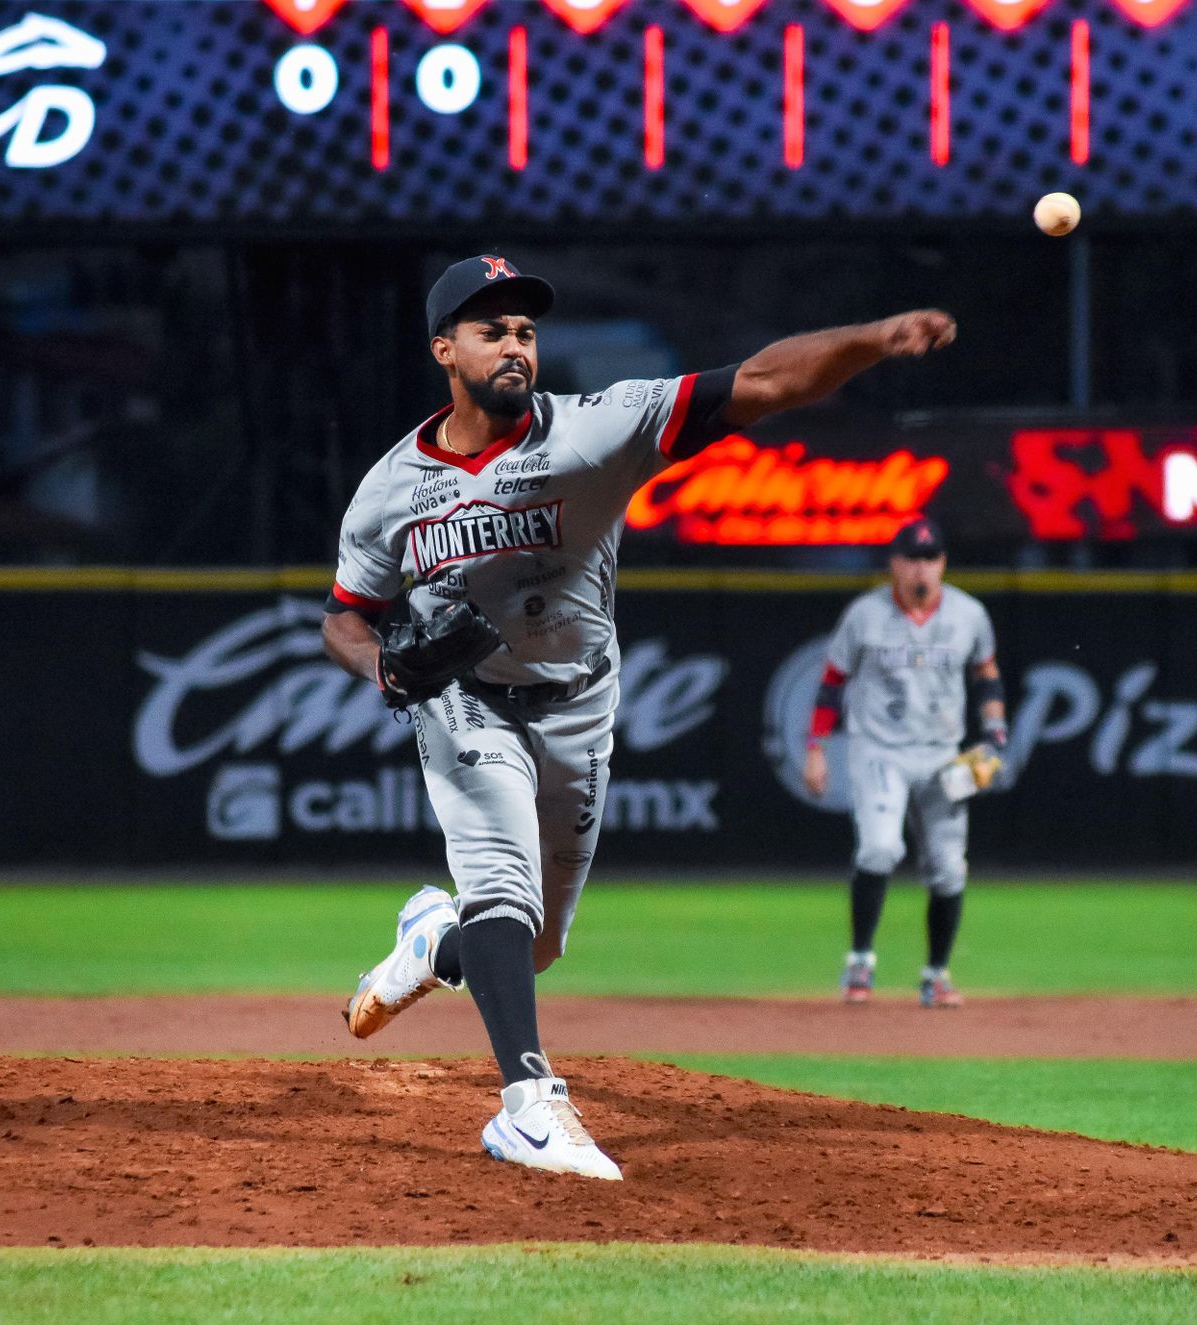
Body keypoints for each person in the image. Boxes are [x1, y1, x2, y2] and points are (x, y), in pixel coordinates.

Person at [323, 253, 955, 1179]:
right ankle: (528, 1105)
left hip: (579, 703)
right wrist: (382, 665)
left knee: (530, 949)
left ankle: (435, 941)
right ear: (443, 350)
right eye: (491, 329)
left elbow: (765, 383)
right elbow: (343, 615)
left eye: (526, 331)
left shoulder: (596, 432)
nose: (514, 345)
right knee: (505, 887)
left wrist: (872, 339)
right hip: (466, 705)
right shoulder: (389, 488)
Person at [802, 518, 1004, 1008]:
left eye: (930, 558)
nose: (921, 566)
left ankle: (936, 974)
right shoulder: (865, 615)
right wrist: (816, 748)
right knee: (878, 850)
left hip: (942, 755)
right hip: (880, 751)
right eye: (912, 558)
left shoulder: (968, 614)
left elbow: (986, 672)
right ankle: (860, 961)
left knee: (949, 869)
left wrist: (995, 733)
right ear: (894, 563)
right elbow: (832, 682)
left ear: (943, 563)